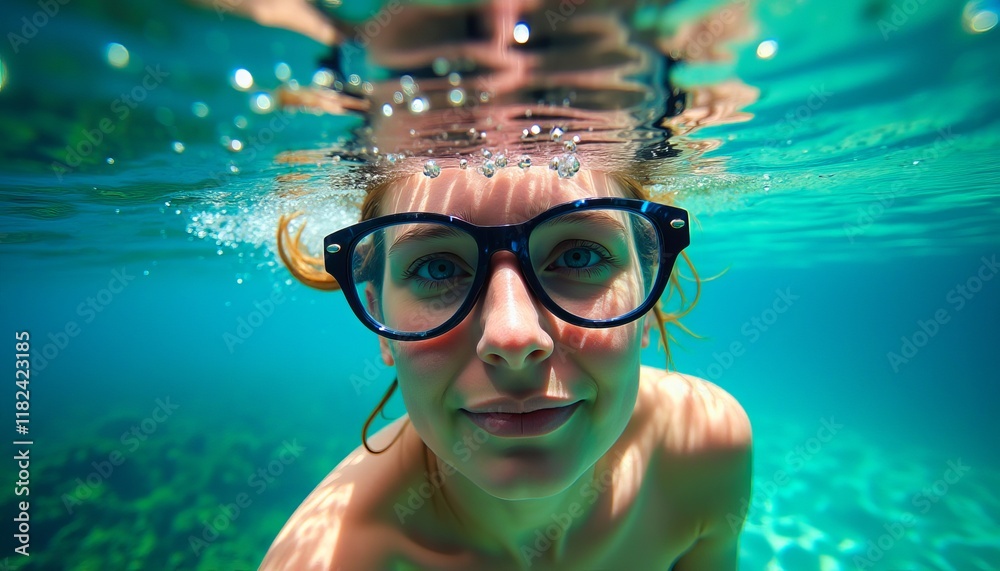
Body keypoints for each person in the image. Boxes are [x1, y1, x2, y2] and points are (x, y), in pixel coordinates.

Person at [261, 161, 752, 569]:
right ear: (380, 322)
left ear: (649, 296)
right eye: (438, 268)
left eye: (579, 257)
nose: (512, 337)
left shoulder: (706, 447)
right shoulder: (330, 560)